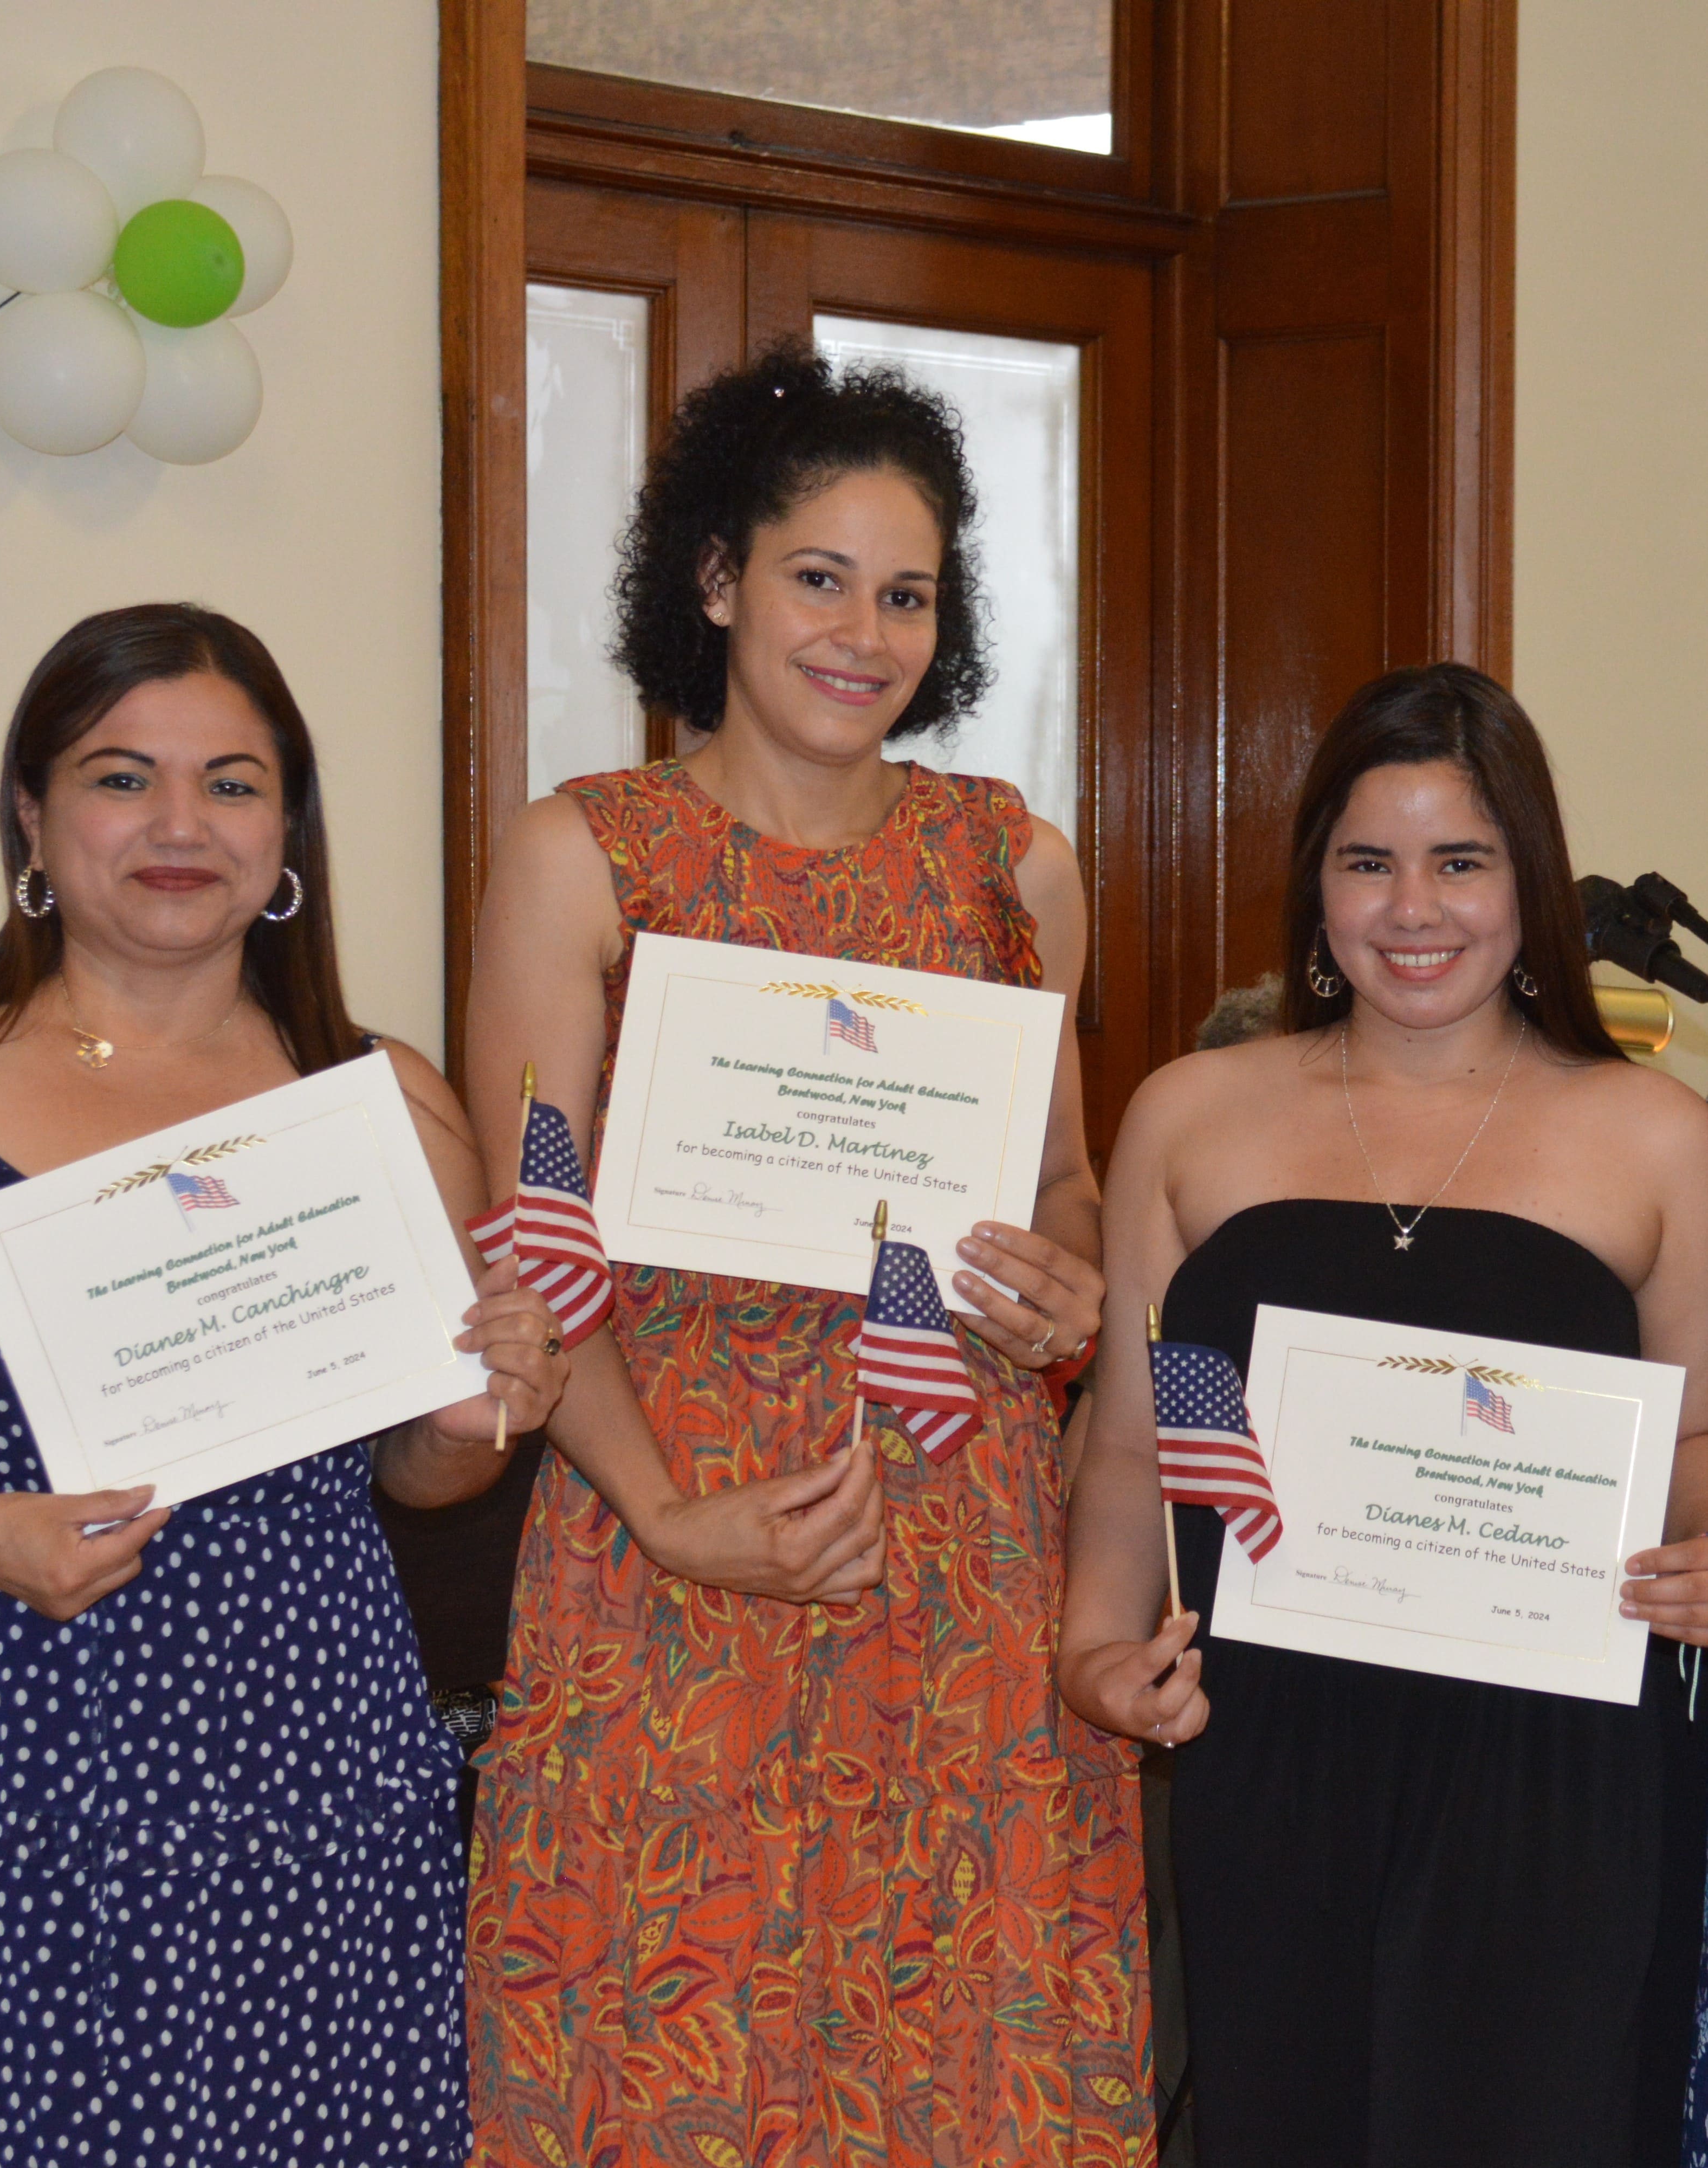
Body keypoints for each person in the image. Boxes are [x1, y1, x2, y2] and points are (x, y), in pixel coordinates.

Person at [0, 604, 568, 2168]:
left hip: (306, 1758)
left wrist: (480, 1409)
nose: (182, 825)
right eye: (122, 778)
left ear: (289, 830)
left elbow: (424, 1475)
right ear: (33, 820)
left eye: (234, 784)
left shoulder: (381, 1098)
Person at [460, 344, 1151, 2167]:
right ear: (714, 582)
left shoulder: (1015, 868)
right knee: (670, 2029)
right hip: (668, 1522)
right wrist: (665, 1509)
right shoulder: (585, 858)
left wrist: (1063, 1285)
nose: (864, 632)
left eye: (907, 592)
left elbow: (1069, 1178)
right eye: (816, 577)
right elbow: (534, 1244)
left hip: (954, 1536)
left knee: (948, 2038)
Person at [1059, 662, 1708, 2168]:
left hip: (1554, 1770)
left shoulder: (1658, 1136)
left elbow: (1694, 1437)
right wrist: (1092, 1654)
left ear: (1523, 880)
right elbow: (1127, 1436)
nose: (1412, 909)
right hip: (1269, 1753)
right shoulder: (1186, 1111)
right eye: (1368, 861)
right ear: (1315, 886)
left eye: (1458, 862)